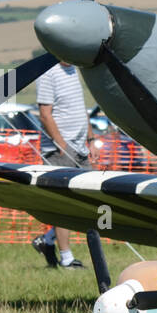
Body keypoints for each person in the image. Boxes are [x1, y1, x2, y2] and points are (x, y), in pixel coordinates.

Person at [31, 60, 97, 269]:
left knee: (90, 199)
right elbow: (45, 114)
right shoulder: (48, 73)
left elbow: (81, 108)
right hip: (58, 151)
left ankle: (47, 240)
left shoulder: (74, 69)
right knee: (64, 204)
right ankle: (67, 258)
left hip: (80, 148)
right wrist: (61, 145)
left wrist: (91, 138)